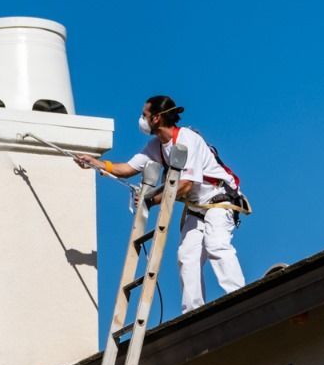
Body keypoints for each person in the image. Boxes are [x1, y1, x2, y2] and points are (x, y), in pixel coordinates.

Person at [75, 95, 246, 313]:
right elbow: (128, 168)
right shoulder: (156, 146)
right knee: (187, 256)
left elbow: (184, 185)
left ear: (156, 118)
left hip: (219, 200)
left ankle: (239, 295)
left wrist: (152, 200)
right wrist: (97, 163)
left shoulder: (187, 140)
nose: (141, 119)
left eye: (144, 115)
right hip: (197, 207)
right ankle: (193, 311)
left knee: (216, 245)